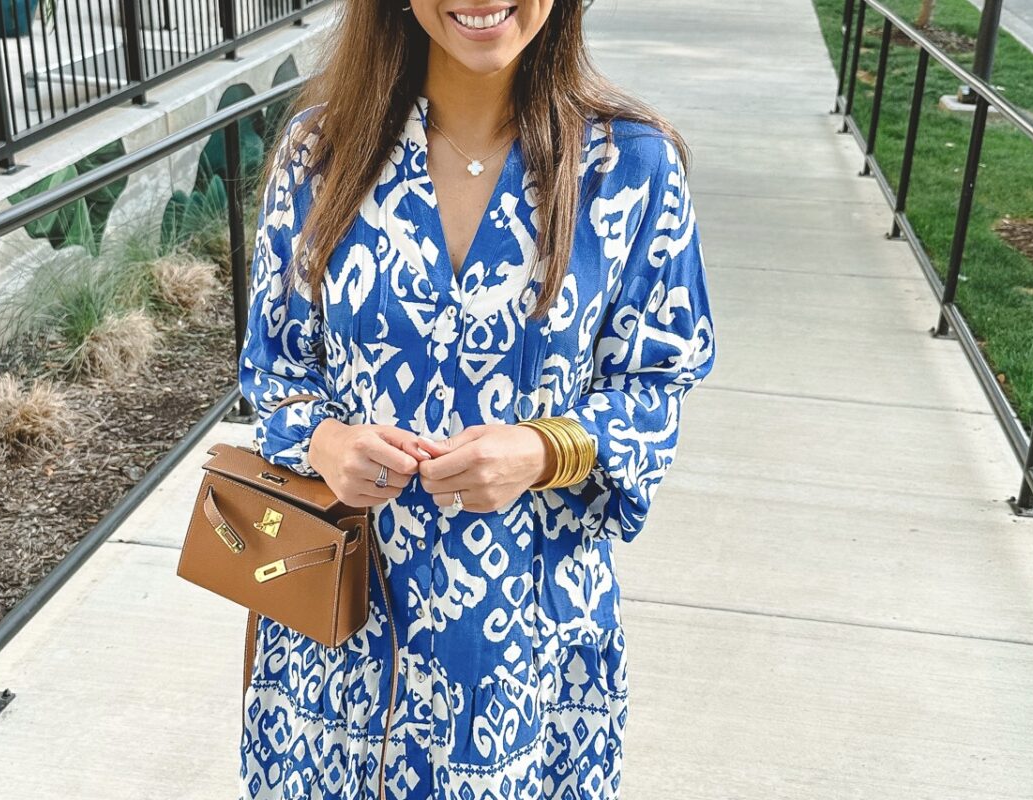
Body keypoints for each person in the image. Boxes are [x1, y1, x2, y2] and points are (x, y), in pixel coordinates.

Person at [235, 1, 716, 797]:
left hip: (527, 645)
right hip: (341, 631)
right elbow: (275, 370)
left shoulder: (629, 169)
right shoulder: (319, 152)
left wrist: (541, 450)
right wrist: (325, 443)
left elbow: (655, 386)